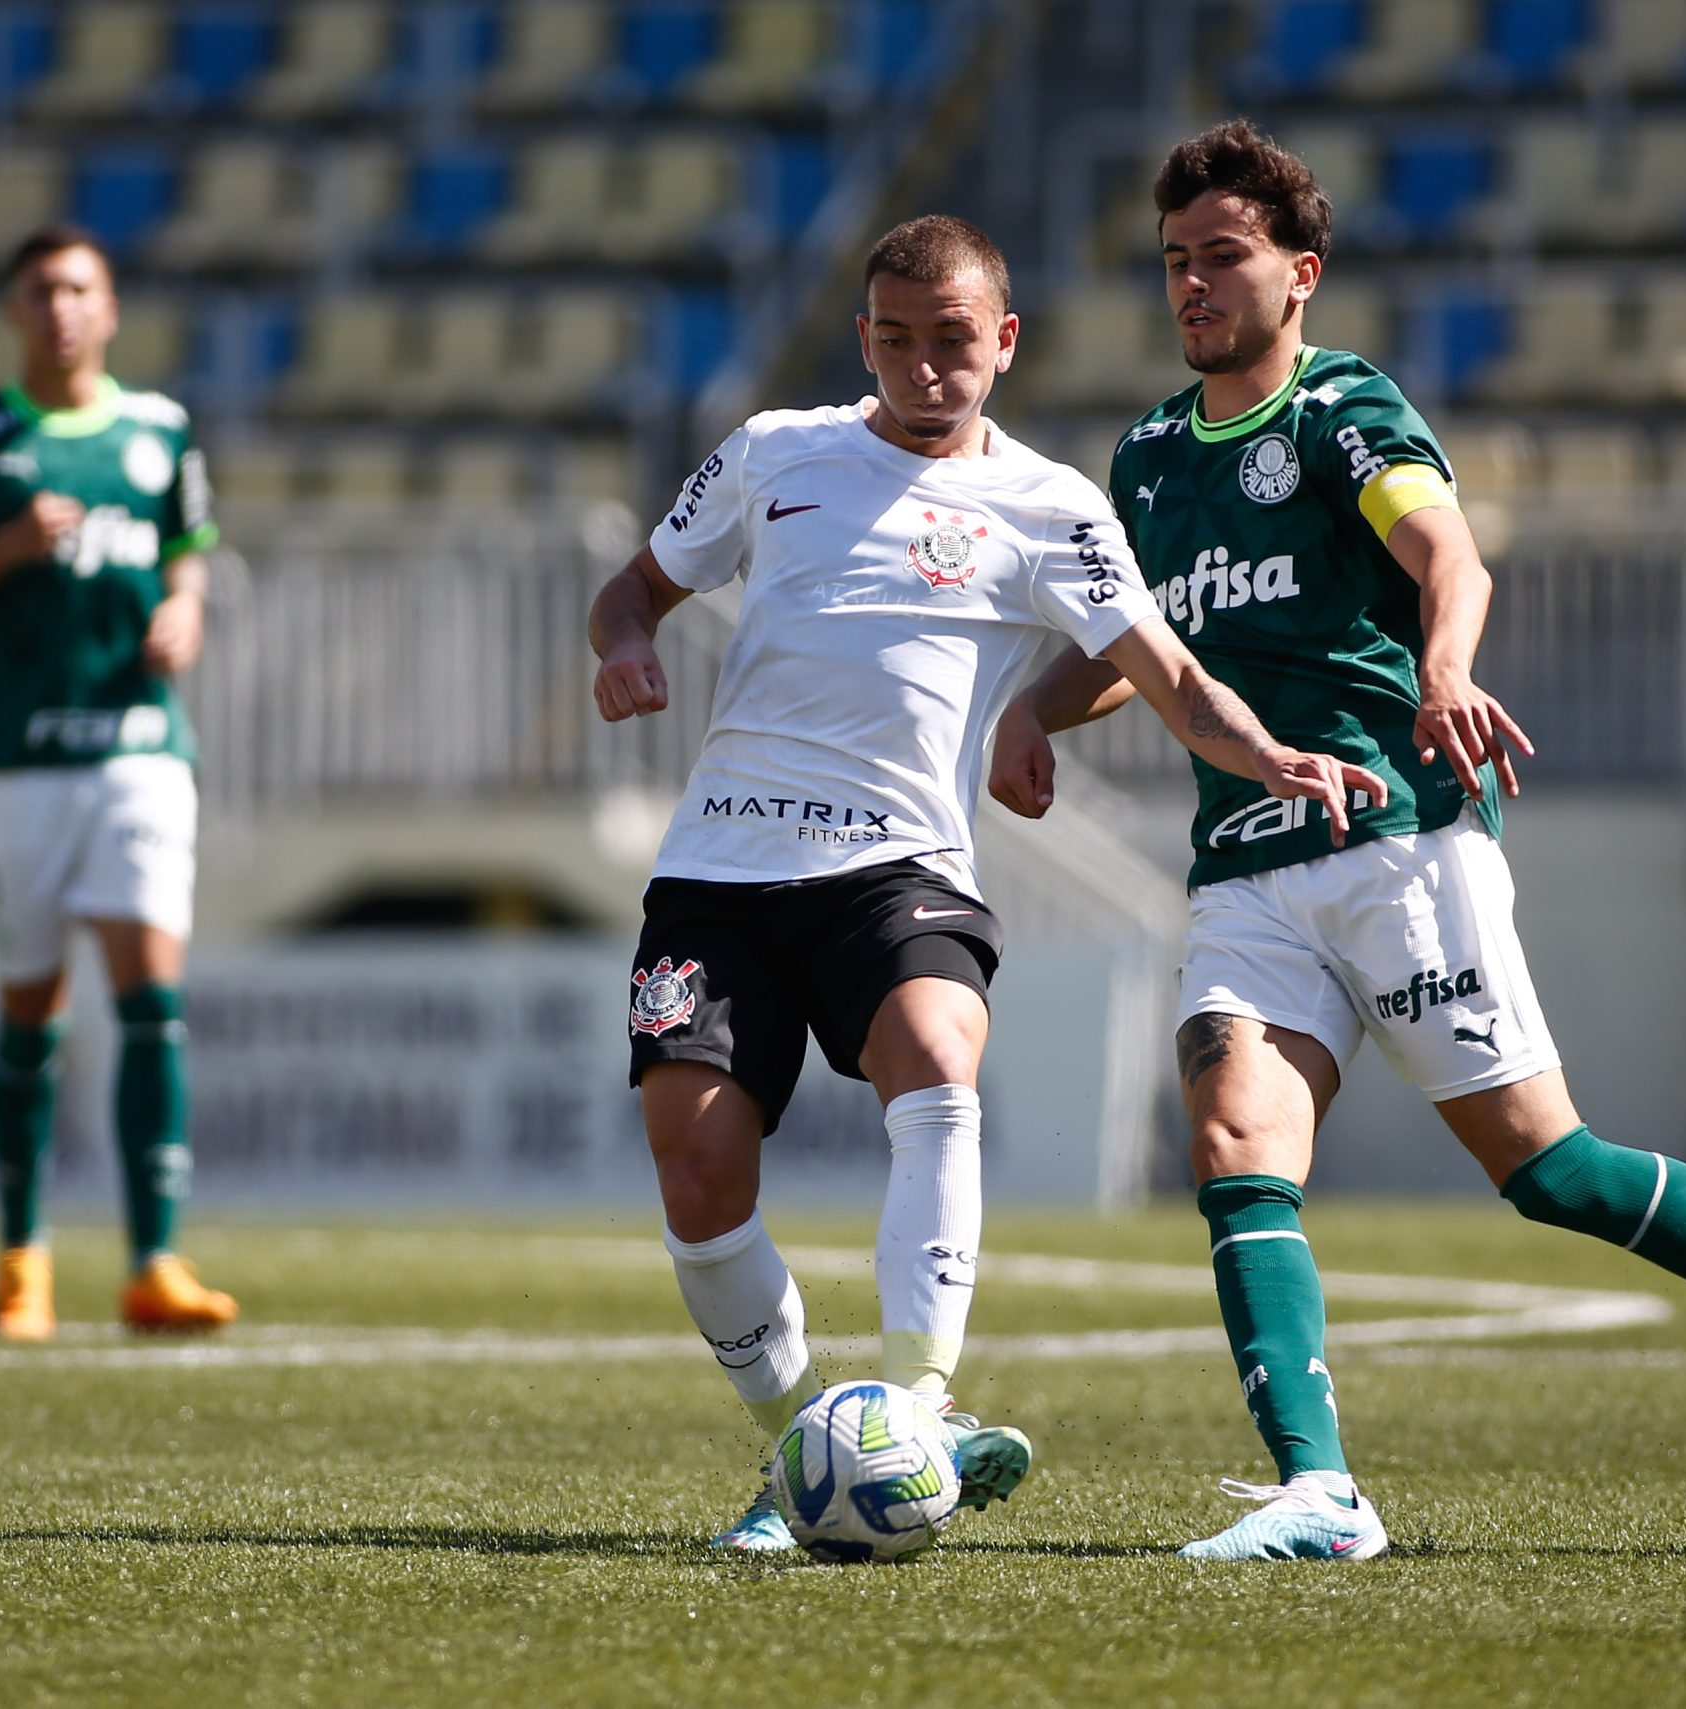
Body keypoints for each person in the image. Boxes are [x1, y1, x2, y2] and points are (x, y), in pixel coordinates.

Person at [989, 121, 1686, 1560]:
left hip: (1397, 836)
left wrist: (1447, 668)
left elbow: (1448, 551)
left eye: (1224, 259)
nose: (1194, 287)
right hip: (1247, 867)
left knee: (1550, 1172)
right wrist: (1038, 707)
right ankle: (1321, 1492)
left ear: (1300, 273)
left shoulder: (1344, 413)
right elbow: (1142, 643)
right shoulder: (1146, 460)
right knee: (1230, 1137)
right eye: (1174, 264)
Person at [588, 214, 1386, 1551]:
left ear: (1004, 342)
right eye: (894, 341)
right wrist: (623, 651)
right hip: (721, 868)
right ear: (864, 340)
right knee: (697, 1166)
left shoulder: (1051, 505)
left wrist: (1266, 753)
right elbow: (630, 592)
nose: (922, 368)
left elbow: (1168, 673)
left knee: (937, 1059)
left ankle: (914, 1396)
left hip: (898, 868)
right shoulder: (776, 454)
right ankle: (805, 1453)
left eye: (952, 340)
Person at [0, 224, 235, 1341]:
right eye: (40, 289)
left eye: (80, 288)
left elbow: (184, 547)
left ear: (113, 307)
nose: (61, 309)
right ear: (13, 310)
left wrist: (184, 605)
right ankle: (20, 1256)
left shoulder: (159, 431)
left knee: (151, 995)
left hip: (137, 749)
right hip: (11, 762)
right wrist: (1, 550)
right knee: (29, 1009)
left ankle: (154, 1261)